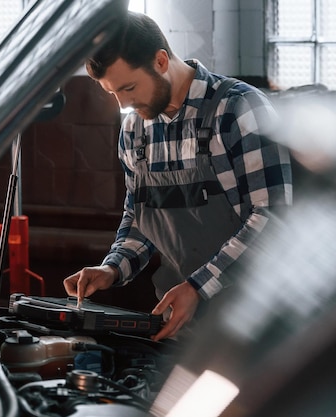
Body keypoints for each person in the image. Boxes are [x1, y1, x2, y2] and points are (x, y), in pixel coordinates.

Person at [63, 12, 293, 342]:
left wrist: (198, 286)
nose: (124, 103)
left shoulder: (238, 109)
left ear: (160, 61)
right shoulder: (134, 129)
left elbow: (273, 218)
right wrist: (112, 268)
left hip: (256, 327)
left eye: (128, 87)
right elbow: (140, 216)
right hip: (181, 326)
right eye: (112, 93)